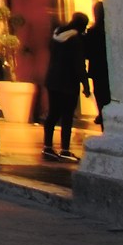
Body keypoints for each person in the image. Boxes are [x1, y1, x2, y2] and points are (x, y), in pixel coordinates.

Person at [42, 10, 93, 161]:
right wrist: (86, 84)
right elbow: (78, 64)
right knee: (67, 116)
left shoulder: (56, 35)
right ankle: (65, 149)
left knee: (53, 114)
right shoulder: (75, 40)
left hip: (52, 79)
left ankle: (48, 147)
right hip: (68, 82)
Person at [84, 1, 111, 123]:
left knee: (100, 96)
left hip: (97, 69)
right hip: (110, 68)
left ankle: (102, 118)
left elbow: (87, 53)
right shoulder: (110, 30)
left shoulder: (92, 32)